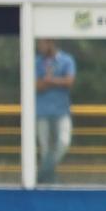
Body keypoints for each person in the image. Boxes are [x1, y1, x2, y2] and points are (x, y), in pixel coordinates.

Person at [35, 39, 76, 183]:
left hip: (61, 110)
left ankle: (41, 175)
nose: (40, 47)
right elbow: (36, 86)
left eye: (42, 44)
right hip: (42, 110)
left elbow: (69, 82)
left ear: (50, 43)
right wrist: (57, 81)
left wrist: (49, 80)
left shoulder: (66, 60)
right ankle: (49, 181)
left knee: (64, 142)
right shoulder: (36, 62)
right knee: (45, 148)